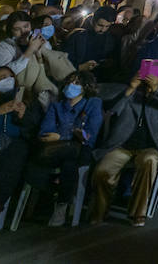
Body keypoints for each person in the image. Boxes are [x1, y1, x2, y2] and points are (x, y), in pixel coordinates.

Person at [89, 71, 158, 226]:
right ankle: (100, 211)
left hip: (151, 147)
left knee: (148, 162)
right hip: (123, 145)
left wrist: (155, 89)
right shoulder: (132, 92)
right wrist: (130, 88)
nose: (153, 73)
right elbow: (113, 110)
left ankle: (138, 213)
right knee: (102, 171)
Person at [34, 70, 102, 226]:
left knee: (70, 160)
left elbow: (90, 135)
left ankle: (61, 205)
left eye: (77, 83)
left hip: (81, 149)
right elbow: (45, 131)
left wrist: (62, 135)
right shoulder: (57, 106)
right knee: (68, 157)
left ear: (85, 87)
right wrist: (70, 135)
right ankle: (62, 202)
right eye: (70, 82)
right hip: (55, 150)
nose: (72, 85)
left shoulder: (93, 104)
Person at [0, 67, 36, 234]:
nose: (8, 79)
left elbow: (33, 129)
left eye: (11, 77)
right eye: (2, 77)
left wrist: (23, 115)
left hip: (10, 148)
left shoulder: (25, 100)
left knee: (11, 161)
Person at [63, 7, 119, 78]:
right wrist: (80, 67)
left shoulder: (110, 39)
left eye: (107, 26)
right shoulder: (77, 36)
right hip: (77, 76)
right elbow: (64, 61)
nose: (103, 29)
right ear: (93, 21)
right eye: (100, 25)